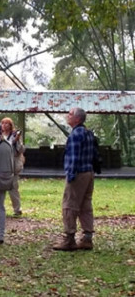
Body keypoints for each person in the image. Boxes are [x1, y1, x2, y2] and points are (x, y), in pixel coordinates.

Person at [53, 107, 97, 251]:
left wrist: (70, 175)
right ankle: (87, 238)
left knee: (69, 205)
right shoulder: (88, 133)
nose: (68, 116)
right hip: (89, 173)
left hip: (78, 173)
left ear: (77, 119)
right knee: (86, 206)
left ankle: (69, 239)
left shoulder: (75, 135)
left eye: (70, 114)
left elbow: (73, 157)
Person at [1, 117, 25, 216]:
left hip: (13, 163)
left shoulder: (15, 135)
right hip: (2, 163)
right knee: (1, 187)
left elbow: (21, 150)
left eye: (7, 123)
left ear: (11, 125)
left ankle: (17, 209)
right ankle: (0, 208)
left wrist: (17, 141)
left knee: (13, 187)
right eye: (3, 123)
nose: (5, 125)